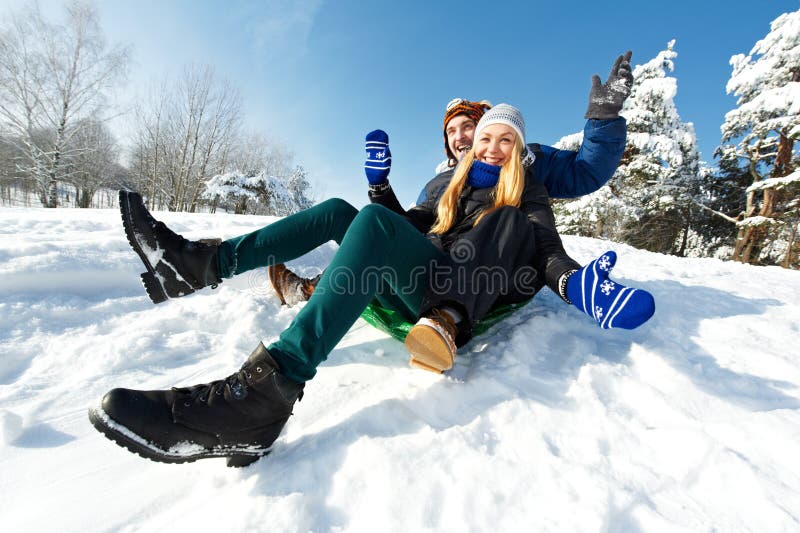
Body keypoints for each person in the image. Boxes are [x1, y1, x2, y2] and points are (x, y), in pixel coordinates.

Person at [89, 55, 654, 467]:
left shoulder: (526, 181)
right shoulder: (443, 183)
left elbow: (545, 239)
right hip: (424, 277)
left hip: (464, 294)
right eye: (469, 135)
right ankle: (197, 264)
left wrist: (578, 285)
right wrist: (379, 188)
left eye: (493, 135)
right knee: (343, 209)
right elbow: (402, 228)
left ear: (516, 145)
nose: (479, 144)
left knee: (493, 221)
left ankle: (266, 392)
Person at [270, 53, 633, 309]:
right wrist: (381, 189)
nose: (460, 137)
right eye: (451, 133)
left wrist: (603, 120)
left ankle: (447, 313)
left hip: (494, 273)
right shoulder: (442, 183)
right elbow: (410, 225)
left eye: (468, 127)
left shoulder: (527, 160)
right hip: (438, 267)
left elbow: (585, 173)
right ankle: (313, 288)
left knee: (501, 222)